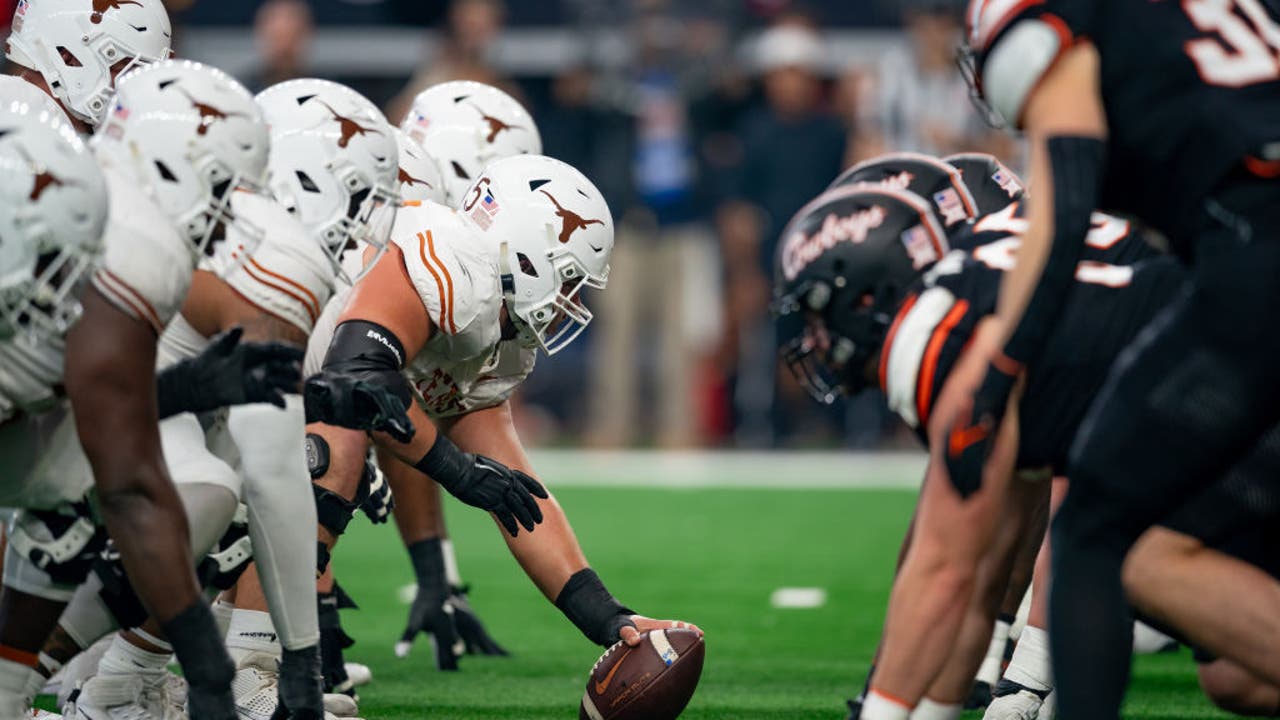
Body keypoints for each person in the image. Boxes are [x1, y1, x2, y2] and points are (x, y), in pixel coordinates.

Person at [956, 2, 1280, 717]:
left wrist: (1002, 369)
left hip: (1257, 251)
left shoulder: (1050, 17)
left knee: (1097, 533)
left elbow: (1066, 205)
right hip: (1243, 247)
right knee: (1237, 674)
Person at [298, 152, 701, 699]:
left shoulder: (494, 335)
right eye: (569, 281)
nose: (570, 303)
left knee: (330, 455)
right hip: (239, 389)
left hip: (287, 403)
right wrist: (455, 469)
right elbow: (357, 376)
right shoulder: (447, 255)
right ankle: (260, 674)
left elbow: (521, 498)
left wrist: (610, 619)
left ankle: (282, 669)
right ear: (529, 251)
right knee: (333, 455)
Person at [0, 58, 291, 720]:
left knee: (67, 488)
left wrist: (182, 386)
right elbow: (126, 465)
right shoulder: (126, 239)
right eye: (223, 190)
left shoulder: (92, 207)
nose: (227, 221)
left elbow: (111, 442)